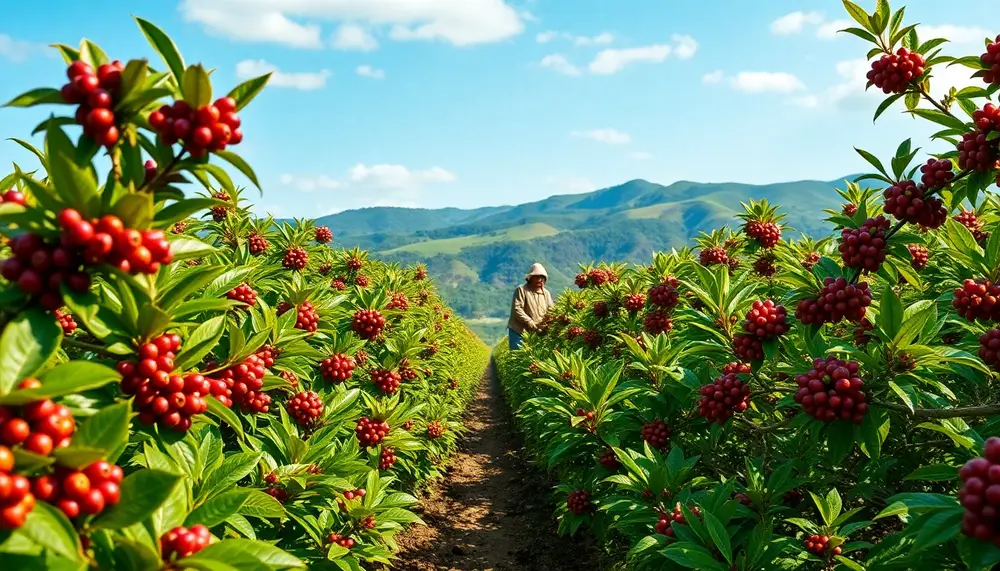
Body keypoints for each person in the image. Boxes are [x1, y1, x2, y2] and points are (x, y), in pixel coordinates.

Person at [507, 263, 554, 350]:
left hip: (536, 332)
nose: (540, 280)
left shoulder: (546, 294)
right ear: (530, 278)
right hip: (519, 332)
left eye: (542, 278)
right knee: (517, 357)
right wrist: (529, 321)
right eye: (537, 277)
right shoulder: (521, 290)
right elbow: (517, 309)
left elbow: (551, 310)